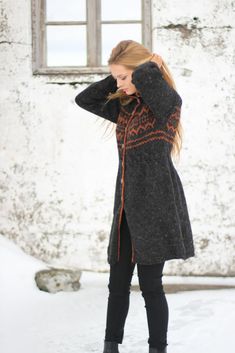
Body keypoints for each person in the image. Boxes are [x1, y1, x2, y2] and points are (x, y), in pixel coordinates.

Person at [75, 40, 195, 353]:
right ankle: (110, 346)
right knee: (117, 285)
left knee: (151, 287)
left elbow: (157, 92)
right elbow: (84, 99)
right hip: (127, 209)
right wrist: (118, 75)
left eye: (124, 78)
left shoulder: (165, 104)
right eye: (115, 78)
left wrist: (144, 70)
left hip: (156, 208)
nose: (118, 84)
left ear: (144, 73)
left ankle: (158, 349)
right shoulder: (125, 109)